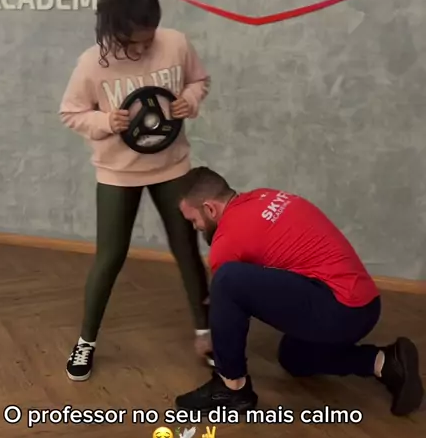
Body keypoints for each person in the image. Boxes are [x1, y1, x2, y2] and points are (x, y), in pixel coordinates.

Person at [59, 0, 213, 381]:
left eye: (150, 39)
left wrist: (188, 100)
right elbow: (71, 113)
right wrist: (105, 121)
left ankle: (206, 334)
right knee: (110, 256)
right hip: (117, 172)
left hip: (172, 166)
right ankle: (86, 341)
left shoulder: (176, 43)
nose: (144, 48)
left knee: (187, 249)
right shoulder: (91, 63)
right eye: (134, 44)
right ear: (113, 31)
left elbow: (199, 80)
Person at [174, 166, 424, 417]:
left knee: (227, 280)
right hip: (364, 304)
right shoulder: (264, 196)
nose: (196, 227)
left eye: (194, 220)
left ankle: (231, 388)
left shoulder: (227, 239)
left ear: (209, 209)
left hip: (341, 310)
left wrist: (209, 337)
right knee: (294, 357)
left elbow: (225, 298)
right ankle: (385, 362)